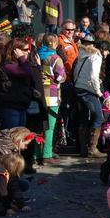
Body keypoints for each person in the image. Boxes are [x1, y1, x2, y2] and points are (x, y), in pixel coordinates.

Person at [73, 35, 106, 158]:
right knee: (98, 117)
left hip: (78, 88)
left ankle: (83, 149)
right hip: (88, 90)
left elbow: (76, 71)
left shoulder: (80, 54)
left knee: (83, 117)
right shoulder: (95, 56)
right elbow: (93, 75)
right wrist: (98, 92)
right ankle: (92, 149)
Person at [35, 33, 66, 165]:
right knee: (50, 126)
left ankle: (36, 153)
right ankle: (47, 154)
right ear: (54, 44)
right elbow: (60, 76)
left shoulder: (36, 55)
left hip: (39, 93)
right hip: (52, 93)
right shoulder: (55, 58)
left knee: (39, 125)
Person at [0, 38, 37, 129]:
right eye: (25, 49)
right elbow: (27, 72)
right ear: (16, 51)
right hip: (11, 107)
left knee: (21, 134)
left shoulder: (22, 64)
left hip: (21, 105)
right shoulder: (8, 65)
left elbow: (30, 77)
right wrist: (22, 58)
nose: (28, 52)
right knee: (12, 134)